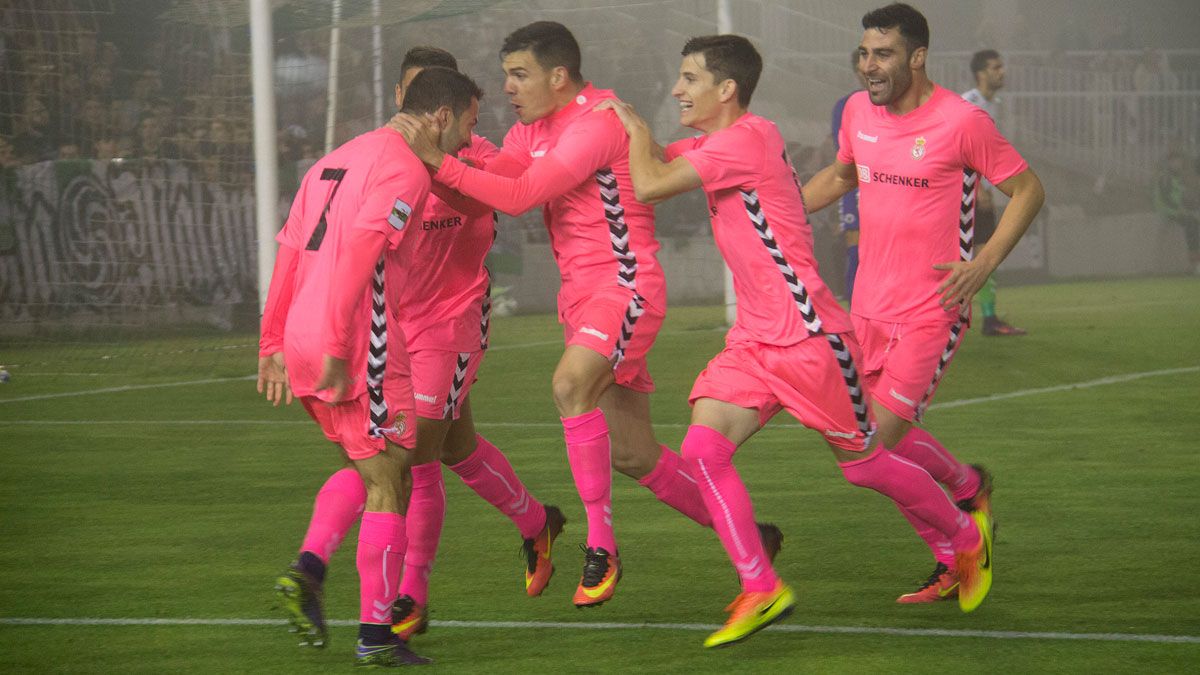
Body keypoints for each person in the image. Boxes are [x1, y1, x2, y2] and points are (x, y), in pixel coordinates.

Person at [597, 34, 995, 648]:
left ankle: (965, 536)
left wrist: (624, 127)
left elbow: (648, 182)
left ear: (726, 90)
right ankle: (760, 586)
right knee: (704, 452)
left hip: (809, 336)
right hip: (756, 340)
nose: (677, 89)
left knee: (864, 466)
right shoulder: (720, 142)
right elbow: (655, 155)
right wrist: (602, 117)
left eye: (688, 79)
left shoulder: (745, 139)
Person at [390, 21, 780, 608]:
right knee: (632, 453)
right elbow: (489, 186)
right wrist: (423, 164)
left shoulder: (597, 121)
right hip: (583, 300)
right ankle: (751, 538)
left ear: (559, 75)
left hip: (625, 288)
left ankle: (602, 546)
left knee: (570, 385)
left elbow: (520, 197)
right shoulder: (531, 130)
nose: (508, 88)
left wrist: (436, 163)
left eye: (519, 75)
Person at [803, 3, 1044, 604]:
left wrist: (983, 263)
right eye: (863, 54)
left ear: (917, 57)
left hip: (931, 306)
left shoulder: (963, 121)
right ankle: (967, 491)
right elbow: (840, 176)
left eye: (882, 54)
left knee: (873, 442)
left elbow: (1028, 189)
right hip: (866, 307)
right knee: (877, 438)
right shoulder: (858, 111)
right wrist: (777, 213)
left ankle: (962, 542)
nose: (868, 66)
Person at [256, 66, 483, 667]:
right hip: (359, 340)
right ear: (440, 116)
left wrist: (271, 341)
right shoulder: (405, 169)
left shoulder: (335, 159)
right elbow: (362, 246)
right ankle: (377, 635)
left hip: (302, 333)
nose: (466, 140)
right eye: (469, 124)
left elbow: (290, 250)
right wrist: (337, 343)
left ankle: (311, 573)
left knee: (371, 468)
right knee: (391, 479)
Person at [384, 46, 567, 641]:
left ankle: (412, 595)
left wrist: (436, 161)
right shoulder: (383, 156)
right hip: (398, 325)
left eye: (435, 107)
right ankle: (538, 522)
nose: (424, 117)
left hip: (452, 323)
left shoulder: (485, 156)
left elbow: (499, 195)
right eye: (412, 102)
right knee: (458, 449)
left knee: (418, 456)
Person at [962, 49, 1026, 336]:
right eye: (995, 67)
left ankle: (988, 318)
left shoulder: (995, 104)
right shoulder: (969, 104)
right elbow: (961, 150)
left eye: (1002, 66)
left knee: (984, 253)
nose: (1002, 71)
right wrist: (976, 188)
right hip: (963, 195)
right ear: (981, 73)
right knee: (977, 253)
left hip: (979, 192)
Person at [831, 49, 864, 304]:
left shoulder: (894, 101)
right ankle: (855, 306)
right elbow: (842, 152)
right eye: (863, 61)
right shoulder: (845, 106)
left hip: (890, 183)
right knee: (856, 240)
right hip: (856, 184)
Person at [1152, 150, 1200, 274]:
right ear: (1169, 163)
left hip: (1176, 211)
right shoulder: (1166, 177)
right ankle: (1194, 264)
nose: (1178, 164)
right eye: (1175, 161)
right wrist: (1180, 209)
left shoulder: (1177, 178)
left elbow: (1181, 197)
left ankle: (1195, 263)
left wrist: (1190, 206)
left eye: (1179, 161)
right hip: (1167, 211)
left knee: (1194, 221)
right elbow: (1166, 197)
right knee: (1192, 224)